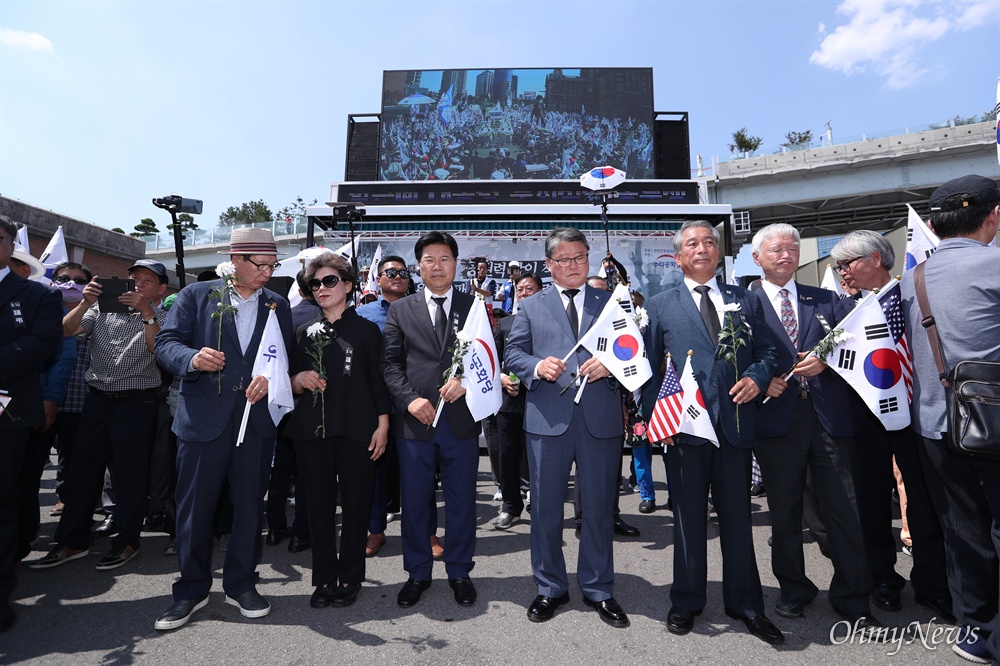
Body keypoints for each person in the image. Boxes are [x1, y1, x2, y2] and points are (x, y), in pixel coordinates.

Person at [641, 220, 784, 645]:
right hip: (683, 428)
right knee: (687, 519)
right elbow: (648, 371)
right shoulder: (660, 305)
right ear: (678, 256)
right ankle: (686, 601)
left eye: (709, 243)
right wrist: (655, 420)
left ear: (719, 254)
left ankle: (747, 605)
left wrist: (758, 377)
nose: (701, 248)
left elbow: (769, 350)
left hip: (736, 424)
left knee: (738, 519)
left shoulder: (744, 299)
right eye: (692, 244)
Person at [153, 228, 292, 631]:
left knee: (250, 506)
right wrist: (193, 358)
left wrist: (271, 379)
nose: (268, 273)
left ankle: (241, 584)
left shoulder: (276, 304)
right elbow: (166, 344)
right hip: (203, 420)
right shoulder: (197, 297)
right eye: (260, 265)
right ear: (235, 259)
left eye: (272, 265)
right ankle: (190, 590)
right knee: (195, 510)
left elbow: (281, 358)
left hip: (256, 418)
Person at [749, 223, 877, 628]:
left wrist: (829, 361)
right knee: (784, 513)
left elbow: (856, 344)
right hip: (776, 420)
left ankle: (854, 597)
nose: (786, 255)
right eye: (776, 250)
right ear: (758, 258)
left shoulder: (827, 300)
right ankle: (793, 590)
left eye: (792, 249)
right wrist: (758, 375)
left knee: (844, 507)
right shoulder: (742, 306)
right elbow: (732, 358)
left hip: (828, 417)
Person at [505, 227, 630, 629]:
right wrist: (536, 367)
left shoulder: (612, 301)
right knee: (544, 510)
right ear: (549, 265)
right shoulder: (530, 305)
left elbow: (633, 348)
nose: (573, 265)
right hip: (547, 420)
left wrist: (611, 363)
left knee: (597, 509)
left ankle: (598, 588)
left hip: (600, 419)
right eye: (564, 260)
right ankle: (550, 587)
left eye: (579, 257)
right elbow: (514, 353)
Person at [900, 175, 1000, 664]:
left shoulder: (911, 279)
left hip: (937, 424)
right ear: (992, 216)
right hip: (994, 422)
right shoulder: (996, 265)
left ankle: (975, 630)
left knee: (963, 529)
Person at [830, 230, 951, 623]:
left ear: (876, 260)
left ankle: (933, 582)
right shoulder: (838, 308)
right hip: (864, 418)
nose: (842, 271)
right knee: (871, 501)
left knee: (924, 499)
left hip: (914, 416)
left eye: (848, 263)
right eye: (838, 266)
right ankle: (883, 578)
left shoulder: (912, 296)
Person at [29, 259, 168, 573]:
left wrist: (147, 313)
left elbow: (159, 351)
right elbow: (65, 331)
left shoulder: (163, 316)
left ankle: (128, 541)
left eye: (147, 281)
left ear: (161, 289)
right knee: (81, 471)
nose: (138, 285)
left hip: (137, 402)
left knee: (130, 475)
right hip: (97, 400)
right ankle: (71, 541)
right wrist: (85, 301)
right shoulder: (101, 308)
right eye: (134, 279)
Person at [383, 231, 482, 609]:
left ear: (455, 264)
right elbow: (390, 365)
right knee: (415, 501)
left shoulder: (473, 306)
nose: (437, 266)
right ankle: (417, 573)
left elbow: (488, 358)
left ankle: (459, 570)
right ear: (418, 266)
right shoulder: (400, 309)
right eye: (429, 259)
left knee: (461, 501)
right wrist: (409, 401)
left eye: (444, 258)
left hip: (460, 419)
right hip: (415, 423)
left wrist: (467, 382)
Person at [286, 254, 390, 608]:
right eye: (315, 284)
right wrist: (298, 380)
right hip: (310, 431)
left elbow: (378, 382)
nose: (321, 288)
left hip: (358, 428)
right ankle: (324, 578)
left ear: (347, 285)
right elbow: (286, 381)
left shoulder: (367, 330)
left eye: (330, 281)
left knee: (356, 505)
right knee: (317, 506)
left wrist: (383, 424)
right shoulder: (300, 330)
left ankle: (350, 576)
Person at [0, 216, 63, 633]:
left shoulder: (35, 294)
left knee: (3, 499)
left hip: (7, 410)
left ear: (9, 244)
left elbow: (43, 342)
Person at [356, 255, 410, 557]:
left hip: (413, 404)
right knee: (375, 474)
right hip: (375, 406)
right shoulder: (363, 314)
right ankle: (375, 530)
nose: (398, 276)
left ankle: (426, 532)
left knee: (419, 474)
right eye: (391, 272)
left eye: (403, 272)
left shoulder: (421, 309)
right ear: (378, 279)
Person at [265, 270, 316, 553]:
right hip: (312, 403)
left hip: (281, 403)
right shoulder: (324, 319)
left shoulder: (283, 316)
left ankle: (275, 527)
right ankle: (300, 533)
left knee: (281, 469)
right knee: (308, 472)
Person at [492, 271, 543, 529]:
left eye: (529, 289)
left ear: (541, 292)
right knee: (508, 456)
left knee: (539, 456)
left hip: (541, 400)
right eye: (520, 289)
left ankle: (541, 503)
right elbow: (494, 360)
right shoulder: (505, 324)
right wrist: (501, 378)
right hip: (509, 401)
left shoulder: (549, 321)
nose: (524, 293)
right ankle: (511, 506)